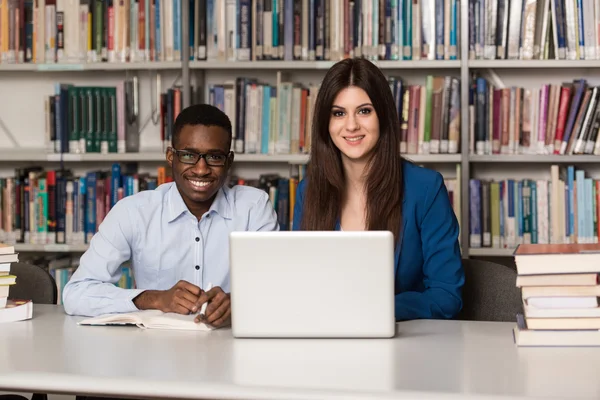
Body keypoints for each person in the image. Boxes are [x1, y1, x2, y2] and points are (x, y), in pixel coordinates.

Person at [63, 103, 279, 328]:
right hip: (157, 351)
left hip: (230, 344)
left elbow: (278, 288)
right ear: (170, 156)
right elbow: (76, 293)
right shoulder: (134, 212)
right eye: (188, 155)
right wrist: (155, 299)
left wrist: (236, 302)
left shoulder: (253, 207)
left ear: (229, 161)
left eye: (214, 157)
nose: (201, 169)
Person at [293, 57, 464, 321]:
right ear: (325, 123)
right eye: (339, 113)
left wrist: (372, 309)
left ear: (382, 115)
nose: (351, 125)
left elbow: (446, 296)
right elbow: (299, 287)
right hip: (327, 344)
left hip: (407, 348)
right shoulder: (309, 191)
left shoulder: (425, 189)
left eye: (364, 111)